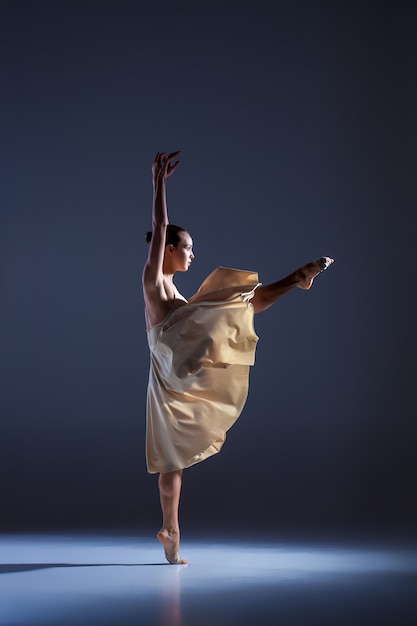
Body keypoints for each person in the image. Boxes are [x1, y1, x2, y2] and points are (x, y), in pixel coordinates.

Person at [142, 151, 334, 565]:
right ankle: (170, 530)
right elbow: (159, 226)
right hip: (169, 378)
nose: (192, 254)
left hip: (185, 376)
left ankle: (170, 529)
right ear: (169, 249)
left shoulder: (180, 295)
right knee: (169, 459)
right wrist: (159, 182)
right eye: (187, 248)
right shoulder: (154, 282)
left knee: (229, 301)